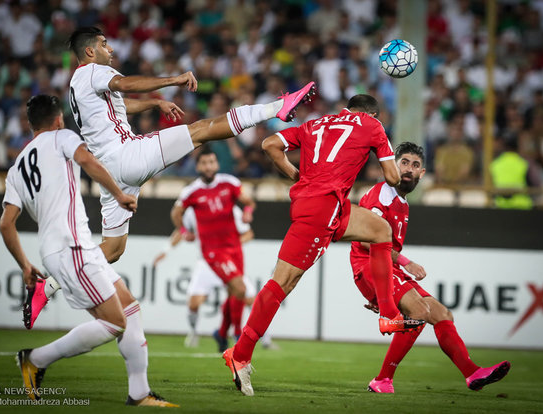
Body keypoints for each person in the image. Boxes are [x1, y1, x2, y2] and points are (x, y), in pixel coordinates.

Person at [222, 94, 424, 396]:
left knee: (380, 230)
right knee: (283, 282)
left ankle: (388, 313)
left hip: (330, 204)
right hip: (323, 209)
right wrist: (378, 149)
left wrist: (296, 176)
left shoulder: (315, 123)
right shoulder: (372, 125)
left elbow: (269, 145)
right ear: (373, 114)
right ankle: (239, 354)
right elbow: (394, 178)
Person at [67, 26, 315, 264]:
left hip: (109, 173)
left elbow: (119, 107)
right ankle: (275, 108)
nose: (110, 49)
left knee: (111, 250)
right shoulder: (93, 71)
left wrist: (154, 104)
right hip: (127, 153)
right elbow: (124, 84)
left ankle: (50, 284)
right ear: (89, 51)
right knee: (200, 131)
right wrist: (174, 80)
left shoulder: (77, 83)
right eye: (103, 44)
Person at [0, 95, 177, 407]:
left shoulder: (17, 168)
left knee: (130, 309)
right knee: (114, 322)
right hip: (72, 248)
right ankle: (35, 359)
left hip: (63, 249)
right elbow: (87, 160)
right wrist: (119, 194)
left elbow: (6, 224)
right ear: (57, 120)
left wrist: (25, 266)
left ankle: (140, 393)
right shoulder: (62, 137)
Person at [351, 142, 511, 393]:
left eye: (415, 166)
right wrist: (406, 262)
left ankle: (472, 373)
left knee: (441, 314)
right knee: (420, 311)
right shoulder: (382, 194)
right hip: (369, 266)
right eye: (404, 162)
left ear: (422, 174)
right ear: (393, 165)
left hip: (385, 267)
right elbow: (363, 239)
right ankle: (382, 379)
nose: (409, 169)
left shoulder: (401, 202)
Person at [170, 147, 256, 352]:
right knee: (241, 289)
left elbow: (248, 202)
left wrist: (248, 213)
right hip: (213, 252)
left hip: (234, 247)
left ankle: (221, 332)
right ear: (198, 166)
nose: (208, 167)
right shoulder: (191, 191)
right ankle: (237, 335)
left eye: (211, 162)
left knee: (236, 293)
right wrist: (183, 230)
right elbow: (176, 212)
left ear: (216, 164)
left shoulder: (230, 182)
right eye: (204, 163)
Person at [154, 205, 276, 350]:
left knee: (250, 299)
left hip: (228, 261)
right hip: (207, 263)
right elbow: (182, 231)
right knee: (193, 304)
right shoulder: (195, 211)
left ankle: (265, 338)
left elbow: (248, 233)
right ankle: (194, 332)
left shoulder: (232, 210)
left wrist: (231, 245)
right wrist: (166, 251)